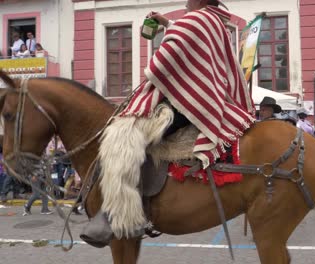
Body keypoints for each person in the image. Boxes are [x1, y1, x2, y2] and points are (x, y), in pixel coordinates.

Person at [92, 0, 255, 241]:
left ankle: (122, 214)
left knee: (123, 135)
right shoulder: (214, 21)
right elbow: (186, 37)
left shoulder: (196, 20)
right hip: (209, 97)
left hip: (189, 103)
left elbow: (163, 62)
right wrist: (168, 23)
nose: (187, 2)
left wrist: (155, 66)